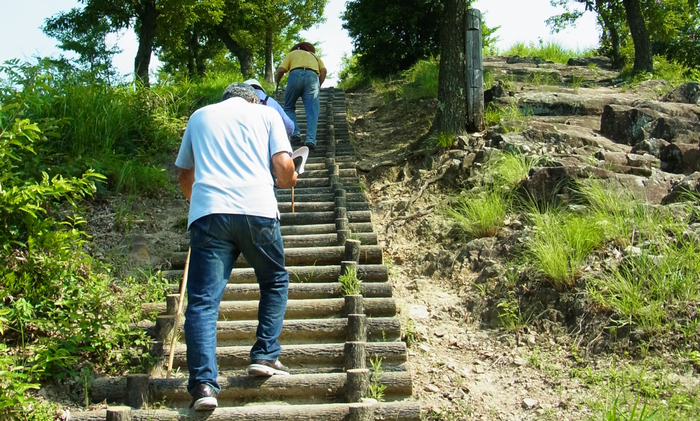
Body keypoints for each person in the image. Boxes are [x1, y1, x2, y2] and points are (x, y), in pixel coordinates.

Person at [175, 82, 297, 411]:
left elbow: (185, 173)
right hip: (257, 209)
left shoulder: (199, 117)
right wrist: (291, 180)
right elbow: (283, 169)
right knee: (274, 281)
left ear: (224, 99)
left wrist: (198, 204)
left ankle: (203, 385)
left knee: (201, 303)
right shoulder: (267, 114)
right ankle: (265, 354)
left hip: (209, 213)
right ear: (253, 99)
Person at [274, 42, 326, 150]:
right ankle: (310, 140)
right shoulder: (315, 57)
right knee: (312, 111)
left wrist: (277, 80)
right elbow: (324, 71)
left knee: (288, 107)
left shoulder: (292, 54)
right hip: (312, 77)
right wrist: (318, 86)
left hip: (295, 76)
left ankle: (295, 133)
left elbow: (281, 70)